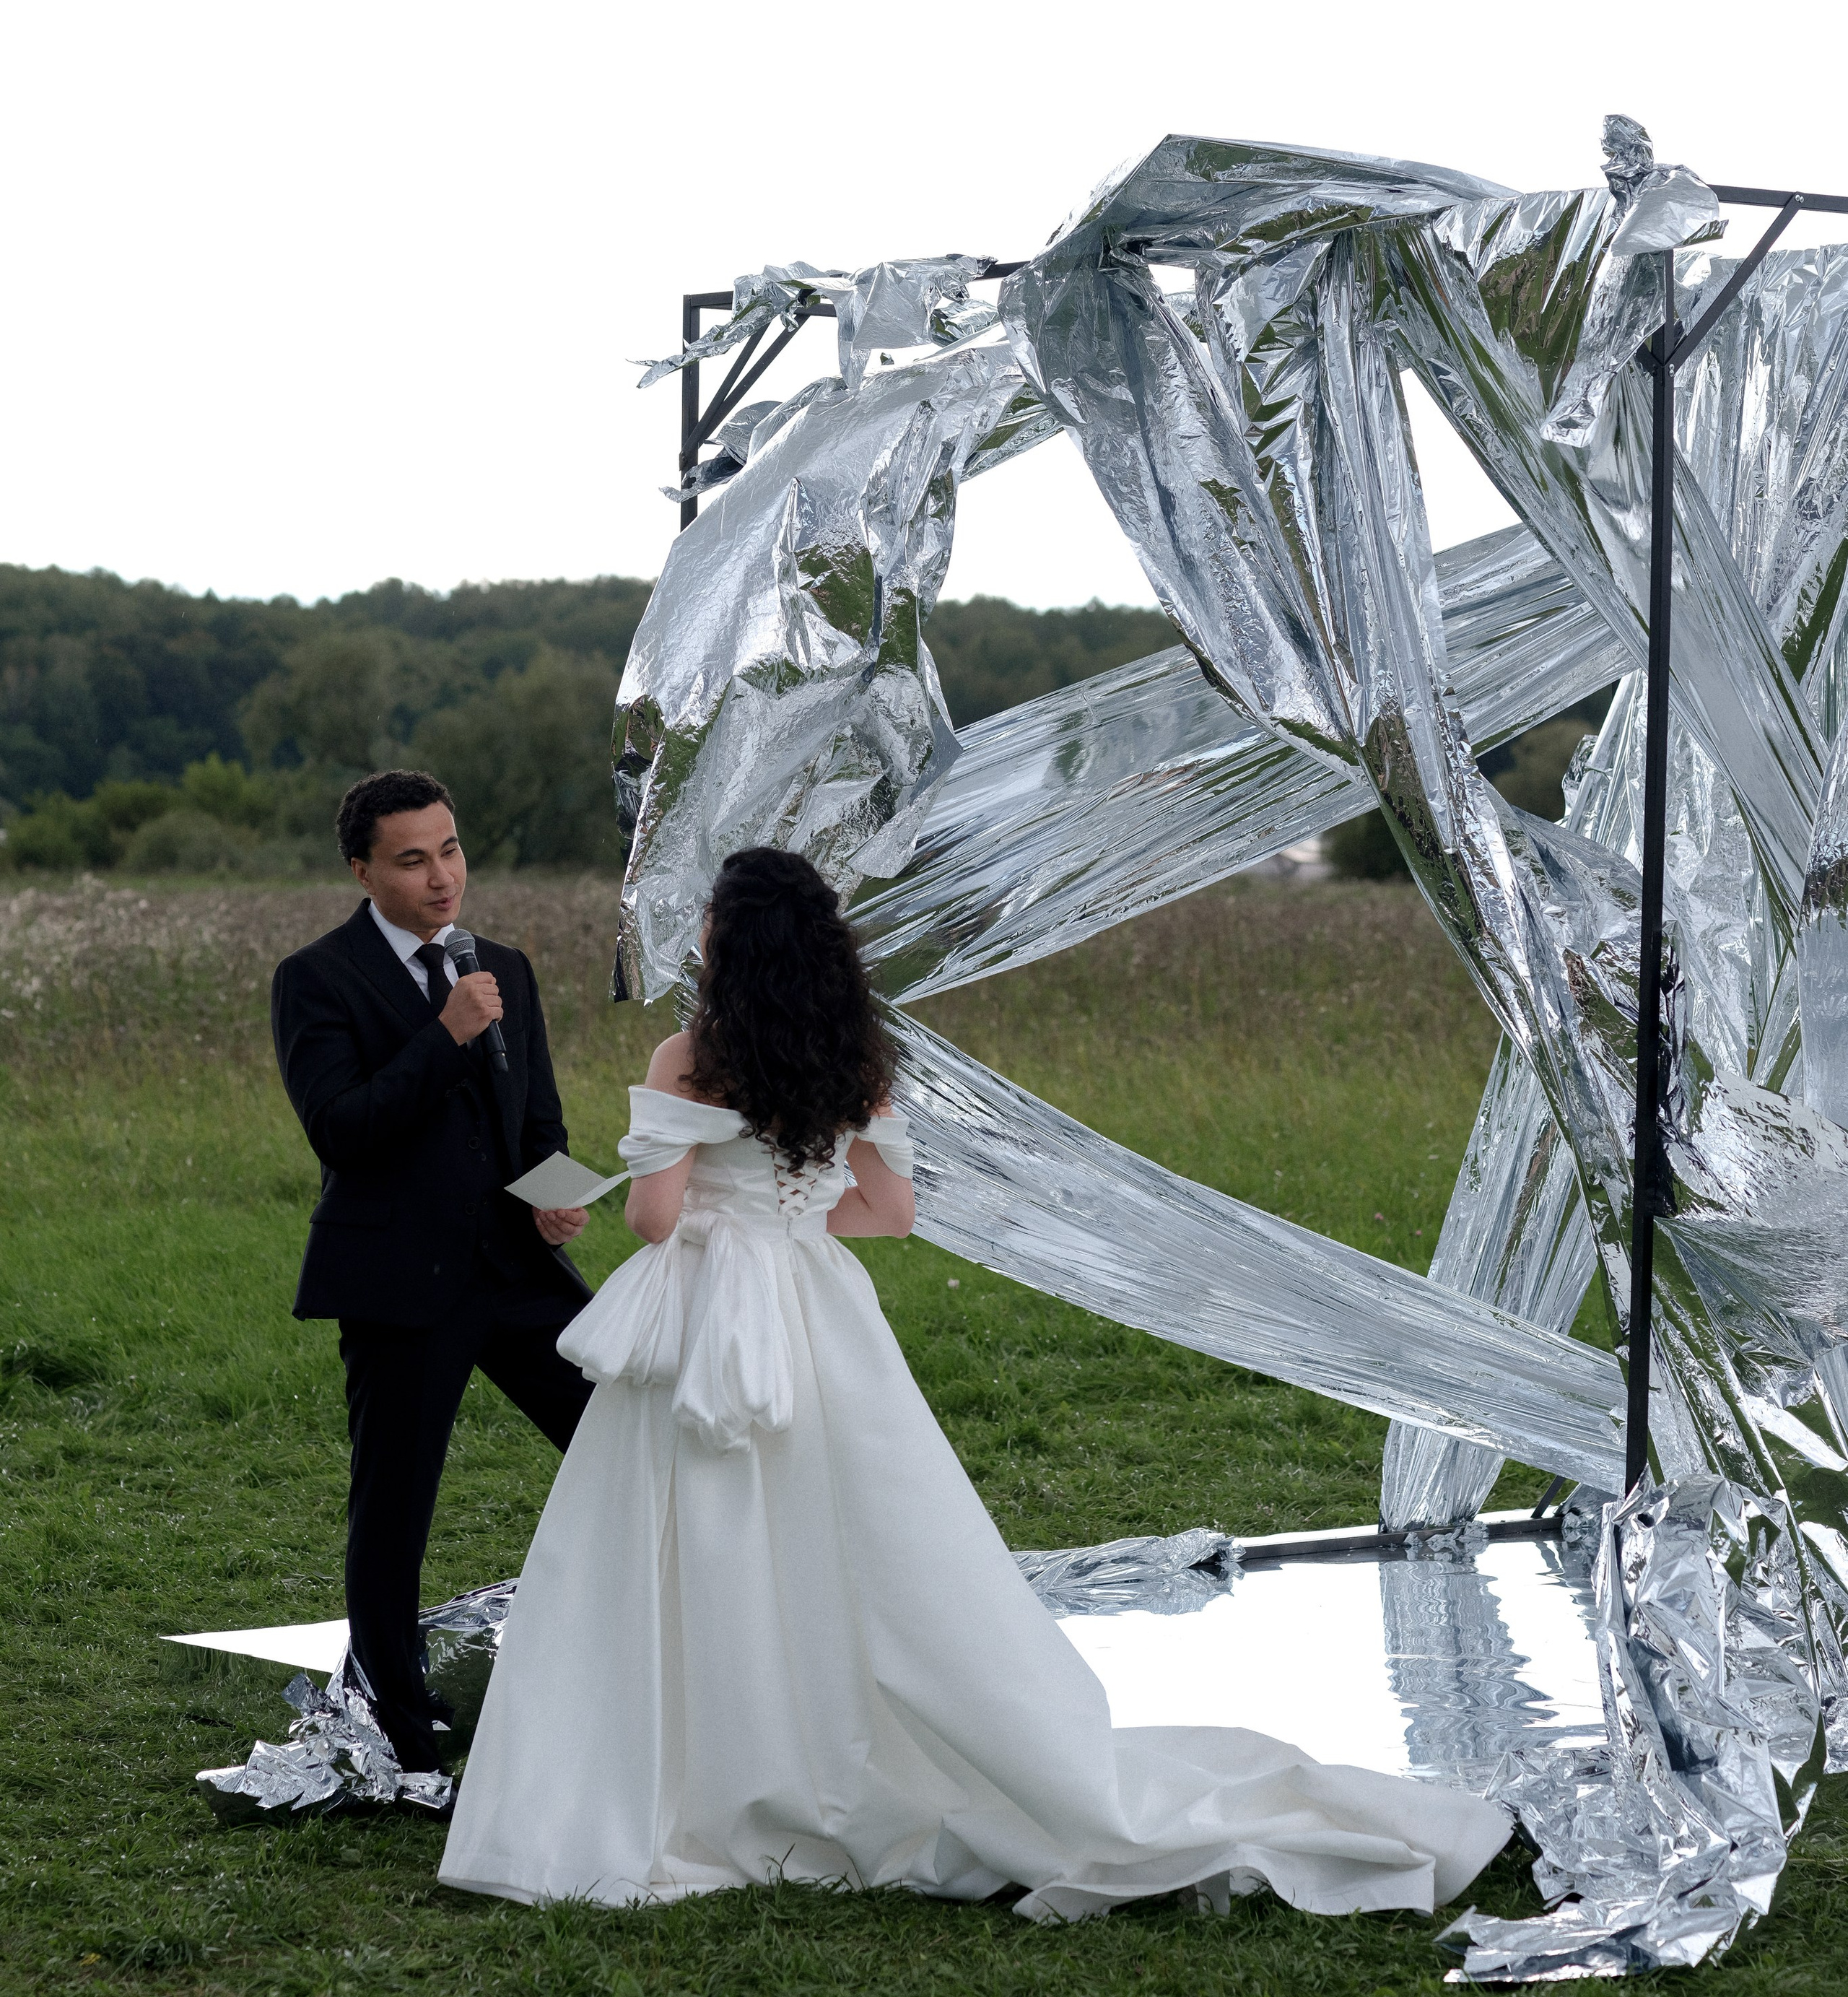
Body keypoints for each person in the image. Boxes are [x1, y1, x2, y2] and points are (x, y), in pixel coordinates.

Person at [440, 845, 1509, 1919]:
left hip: (708, 1320)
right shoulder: (858, 1055)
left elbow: (654, 1219)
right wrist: (794, 1220)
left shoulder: (688, 1054)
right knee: (851, 1534)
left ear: (729, 941)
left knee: (688, 1536)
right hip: (816, 1310)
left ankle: (699, 1767)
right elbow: (890, 1214)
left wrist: (686, 1200)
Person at [271, 767, 596, 1791]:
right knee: (396, 1503)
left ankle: (642, 1654)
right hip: (400, 1281)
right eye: (412, 859)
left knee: (630, 1424)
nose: (441, 875)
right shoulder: (316, 980)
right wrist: (443, 1036)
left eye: (450, 849)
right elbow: (343, 1130)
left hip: (517, 1270)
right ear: (363, 869)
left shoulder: (503, 967)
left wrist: (554, 1194)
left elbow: (535, 1120)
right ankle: (401, 1722)